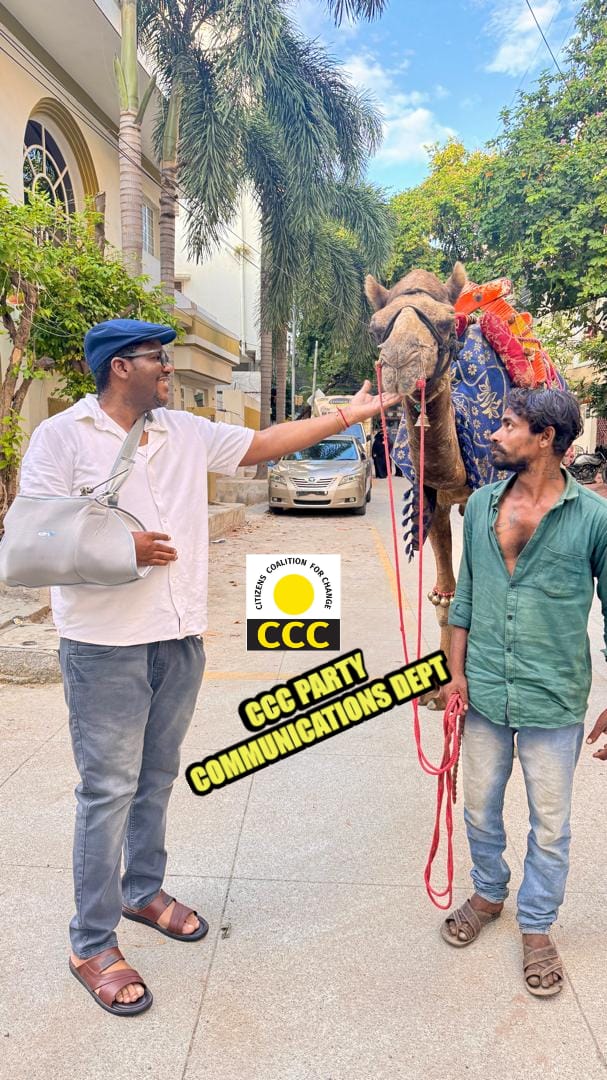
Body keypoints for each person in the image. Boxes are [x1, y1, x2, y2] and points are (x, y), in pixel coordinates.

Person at [19, 318, 402, 1017]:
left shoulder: (182, 430)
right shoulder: (62, 436)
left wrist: (351, 414)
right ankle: (91, 943)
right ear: (119, 367)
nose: (168, 369)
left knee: (157, 777)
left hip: (178, 637)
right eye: (156, 359)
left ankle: (141, 890)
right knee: (107, 791)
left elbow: (263, 444)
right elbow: (37, 537)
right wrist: (122, 549)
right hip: (104, 645)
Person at [439, 387, 607, 997]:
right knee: (478, 808)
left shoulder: (594, 518)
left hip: (553, 698)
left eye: (508, 424)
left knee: (551, 825)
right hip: (484, 691)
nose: (494, 433)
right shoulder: (482, 505)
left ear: (545, 438)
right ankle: (488, 893)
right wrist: (454, 675)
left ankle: (536, 926)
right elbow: (465, 597)